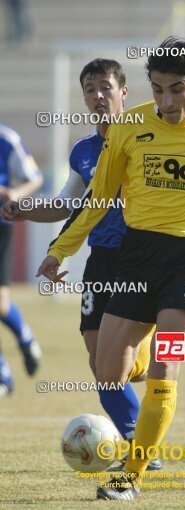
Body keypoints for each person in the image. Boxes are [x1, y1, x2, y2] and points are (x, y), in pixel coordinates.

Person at [37, 37, 185, 500]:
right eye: (157, 89)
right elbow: (98, 199)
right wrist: (59, 250)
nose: (167, 102)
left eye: (176, 90)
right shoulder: (129, 127)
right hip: (136, 261)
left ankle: (130, 475)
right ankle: (178, 327)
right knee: (108, 372)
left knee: (164, 374)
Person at [1, 59, 185, 450]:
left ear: (124, 93)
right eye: (89, 90)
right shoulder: (83, 150)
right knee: (102, 365)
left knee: (150, 360)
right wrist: (24, 210)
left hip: (145, 257)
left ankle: (141, 442)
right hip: (102, 259)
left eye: (105, 88)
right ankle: (138, 435)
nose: (97, 96)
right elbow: (68, 205)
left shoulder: (149, 136)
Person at [0, 124, 43, 397]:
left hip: (0, 226)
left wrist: (14, 195)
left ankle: (25, 337)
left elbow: (35, 177)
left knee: (0, 304)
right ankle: (3, 374)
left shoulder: (7, 139)